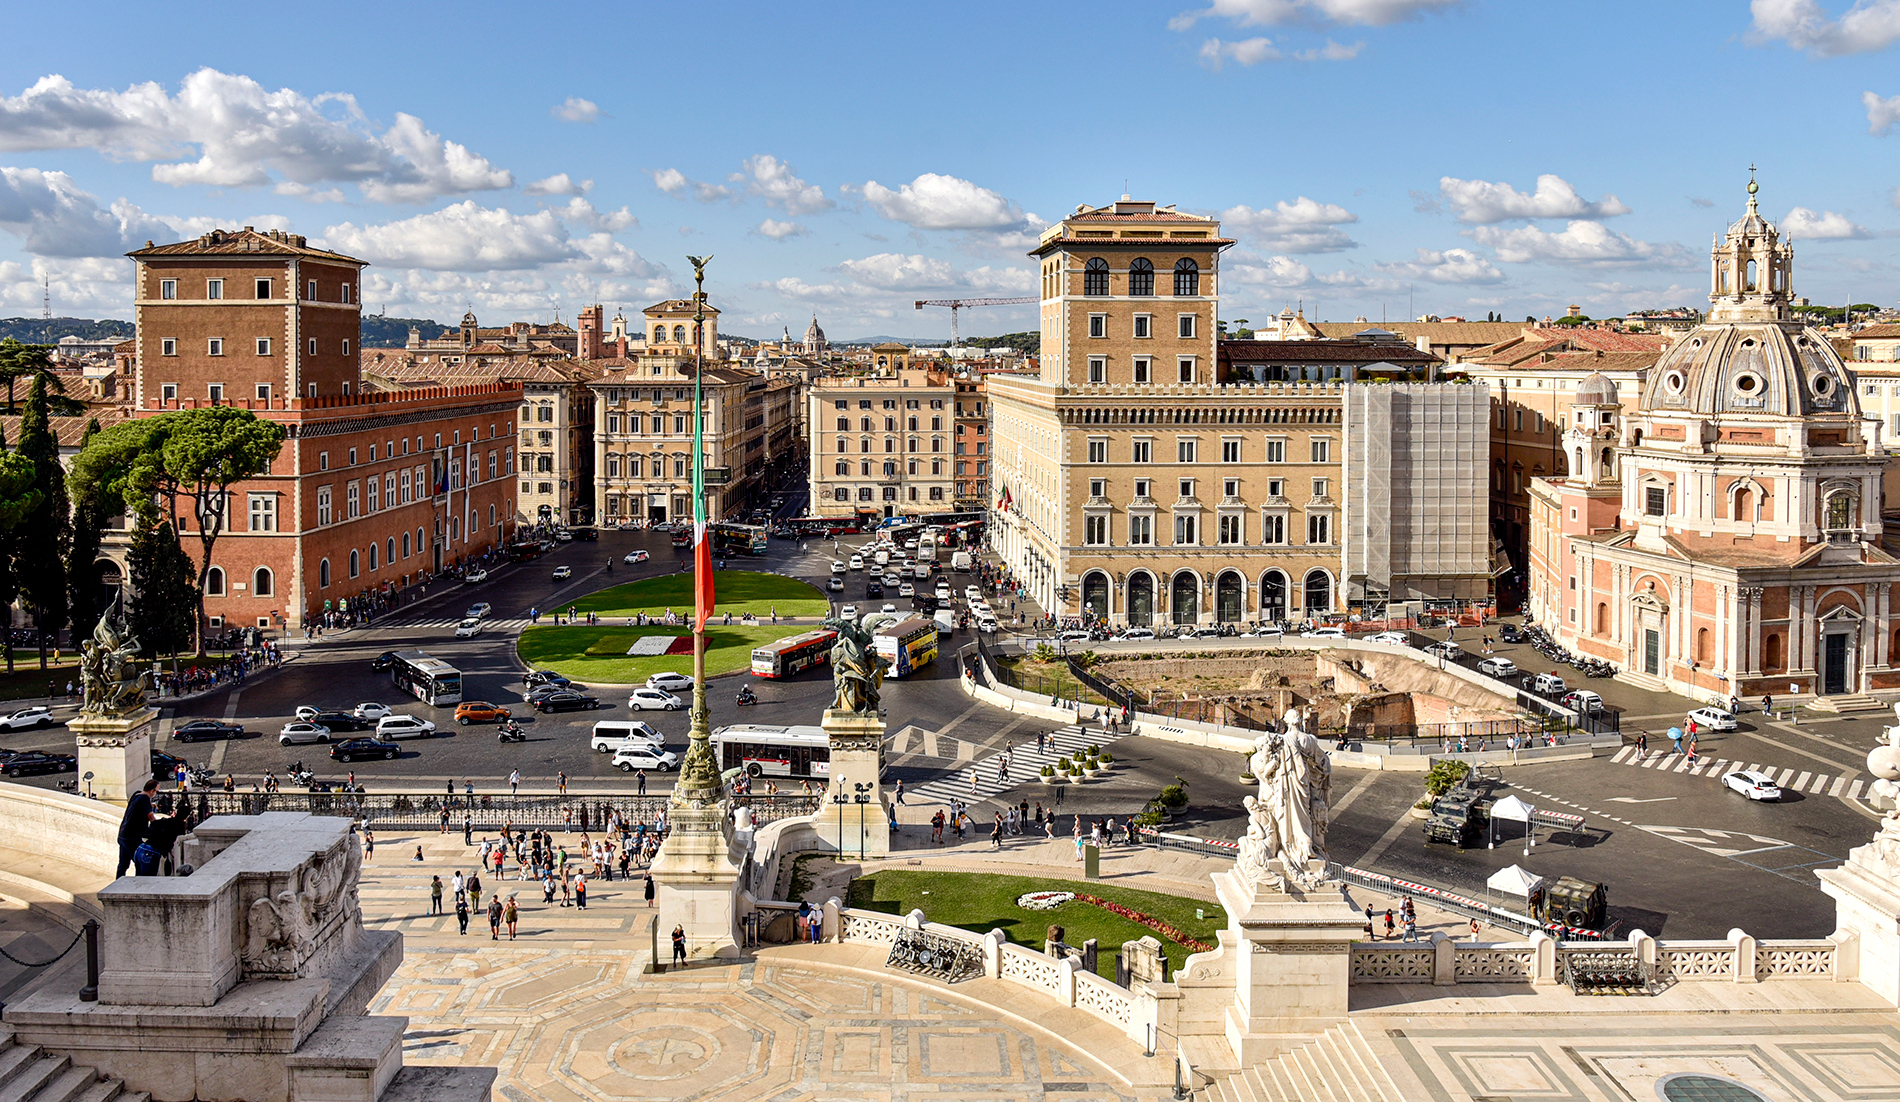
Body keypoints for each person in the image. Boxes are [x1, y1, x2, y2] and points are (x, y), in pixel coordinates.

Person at [116, 779, 158, 878]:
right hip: (132, 837)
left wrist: (151, 805)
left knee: (123, 864)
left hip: (123, 835)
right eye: (157, 791)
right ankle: (139, 882)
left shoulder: (137, 795)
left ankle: (118, 882)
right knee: (140, 860)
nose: (156, 793)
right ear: (152, 791)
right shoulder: (144, 799)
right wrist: (160, 825)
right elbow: (151, 817)